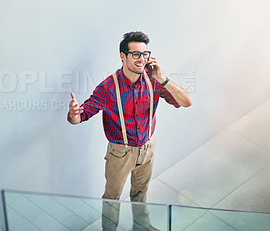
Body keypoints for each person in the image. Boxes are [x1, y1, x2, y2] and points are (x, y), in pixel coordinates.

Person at [67, 31, 192, 231]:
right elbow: (81, 116)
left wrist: (162, 77)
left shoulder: (154, 81)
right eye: (136, 54)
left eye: (145, 54)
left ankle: (141, 227)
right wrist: (73, 114)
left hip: (148, 148)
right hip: (120, 152)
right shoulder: (107, 88)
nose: (141, 59)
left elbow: (186, 102)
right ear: (123, 56)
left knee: (140, 192)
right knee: (112, 198)